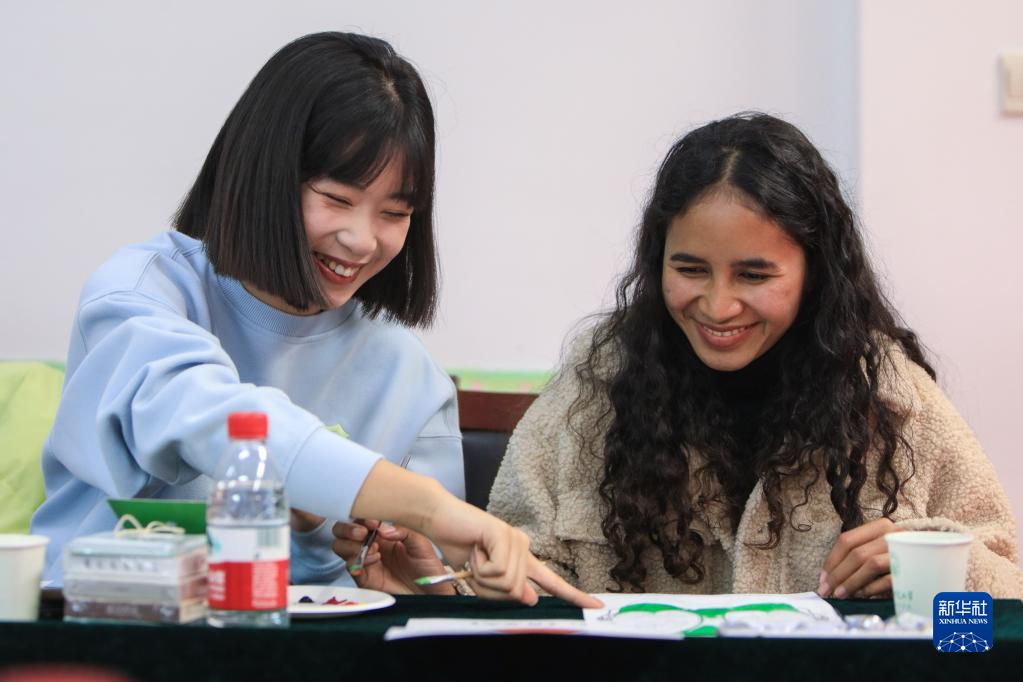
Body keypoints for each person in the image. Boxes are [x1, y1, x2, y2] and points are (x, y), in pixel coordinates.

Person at [333, 112, 1023, 599]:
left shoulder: (888, 395)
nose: (718, 306)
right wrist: (441, 585)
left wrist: (941, 574)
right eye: (690, 269)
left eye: (754, 275)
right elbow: (522, 596)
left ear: (814, 273)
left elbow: (986, 631)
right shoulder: (597, 386)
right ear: (656, 260)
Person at [30, 31, 597, 608]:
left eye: (394, 212)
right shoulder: (141, 296)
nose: (362, 240)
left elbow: (417, 587)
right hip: (95, 627)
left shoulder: (409, 378)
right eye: (337, 199)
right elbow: (203, 414)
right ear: (264, 176)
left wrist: (423, 588)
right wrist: (427, 505)